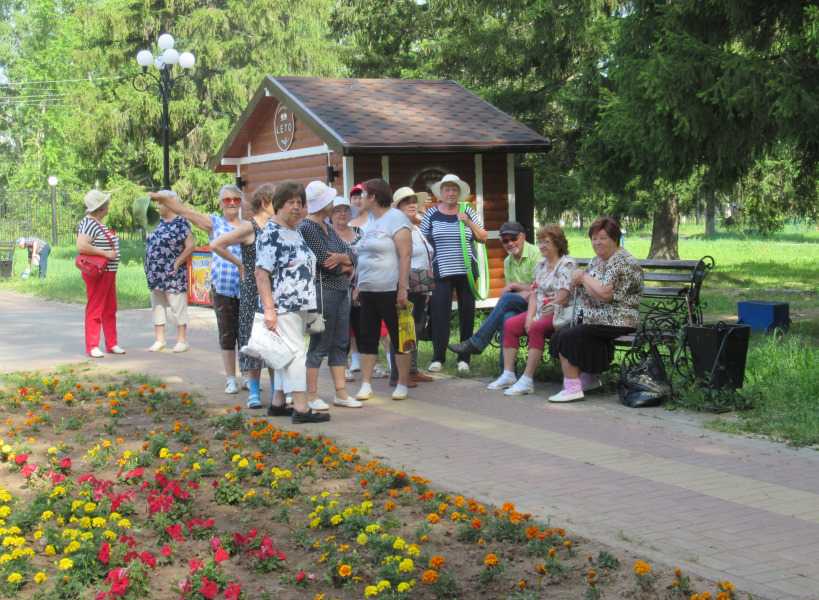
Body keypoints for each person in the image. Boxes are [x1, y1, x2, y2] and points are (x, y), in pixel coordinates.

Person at [150, 185, 244, 395]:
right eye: (227, 200)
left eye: (236, 200)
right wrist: (160, 198)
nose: (231, 203)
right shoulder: (214, 223)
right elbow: (184, 211)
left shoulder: (247, 225)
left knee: (247, 334)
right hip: (223, 287)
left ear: (241, 202)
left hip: (246, 287)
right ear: (220, 203)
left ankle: (248, 376)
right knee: (227, 334)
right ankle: (231, 378)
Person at [255, 181, 330, 424]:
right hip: (283, 305)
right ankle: (301, 407)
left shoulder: (293, 230)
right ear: (279, 204)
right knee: (297, 354)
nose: (296, 207)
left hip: (299, 304)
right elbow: (261, 273)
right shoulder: (272, 233)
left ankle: (278, 402)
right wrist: (269, 310)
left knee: (284, 354)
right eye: (291, 202)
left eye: (300, 202)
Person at [548, 217, 643, 403]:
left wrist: (583, 277)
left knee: (569, 336)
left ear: (614, 239)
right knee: (563, 333)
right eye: (594, 238)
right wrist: (580, 282)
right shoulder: (597, 261)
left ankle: (572, 388)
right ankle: (589, 379)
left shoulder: (623, 262)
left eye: (603, 238)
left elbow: (605, 294)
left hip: (620, 318)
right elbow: (593, 290)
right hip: (598, 317)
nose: (597, 242)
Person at [209, 184, 277, 410]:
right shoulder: (250, 226)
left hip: (272, 288)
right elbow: (216, 244)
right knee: (251, 338)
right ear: (265, 202)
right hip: (251, 289)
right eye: (276, 202)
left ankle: (277, 391)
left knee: (274, 339)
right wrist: (240, 264)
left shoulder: (277, 225)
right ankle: (254, 391)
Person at [488, 225, 575, 395]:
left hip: (558, 312)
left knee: (536, 327)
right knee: (511, 324)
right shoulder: (541, 266)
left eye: (546, 242)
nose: (542, 246)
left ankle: (527, 380)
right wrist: (530, 316)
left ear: (557, 243)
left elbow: (563, 297)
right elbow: (534, 294)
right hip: (541, 310)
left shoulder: (567, 264)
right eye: (540, 242)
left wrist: (539, 316)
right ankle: (508, 374)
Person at [300, 181, 361, 409]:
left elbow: (351, 253)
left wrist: (344, 260)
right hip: (323, 291)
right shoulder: (307, 227)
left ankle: (341, 393)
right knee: (320, 342)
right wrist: (345, 263)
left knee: (341, 342)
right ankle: (311, 395)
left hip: (342, 290)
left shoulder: (327, 226)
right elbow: (326, 262)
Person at [420, 173, 488, 374]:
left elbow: (483, 237)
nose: (450, 193)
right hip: (440, 271)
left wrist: (468, 222)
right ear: (441, 193)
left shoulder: (468, 211)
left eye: (454, 189)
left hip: (467, 272)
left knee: (467, 315)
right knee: (439, 315)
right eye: (447, 189)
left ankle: (464, 359)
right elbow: (422, 242)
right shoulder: (432, 214)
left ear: (459, 193)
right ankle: (438, 358)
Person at [352, 178, 413, 401]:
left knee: (399, 337)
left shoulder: (396, 218)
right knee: (367, 337)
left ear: (373, 197)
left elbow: (405, 255)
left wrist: (402, 288)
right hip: (368, 289)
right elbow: (363, 255)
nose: (360, 198)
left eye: (363, 194)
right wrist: (358, 284)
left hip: (391, 289)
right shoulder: (369, 221)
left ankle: (402, 383)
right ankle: (366, 384)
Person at [448, 221, 540, 360]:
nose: (510, 243)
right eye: (505, 241)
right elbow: (515, 292)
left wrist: (515, 286)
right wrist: (518, 289)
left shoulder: (536, 254)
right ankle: (507, 370)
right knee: (507, 318)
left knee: (507, 298)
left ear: (523, 237)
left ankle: (478, 342)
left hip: (540, 304)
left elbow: (540, 288)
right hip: (522, 303)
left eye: (513, 238)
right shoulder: (508, 261)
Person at [391, 186, 435, 384]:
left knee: (416, 327)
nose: (412, 205)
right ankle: (399, 375)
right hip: (406, 284)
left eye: (414, 201)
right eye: (406, 202)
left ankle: (412, 369)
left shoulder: (415, 227)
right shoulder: (398, 229)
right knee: (403, 328)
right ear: (398, 207)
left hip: (421, 284)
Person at [143, 190, 194, 353]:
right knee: (157, 305)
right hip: (155, 272)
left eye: (160, 202)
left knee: (177, 306)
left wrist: (178, 262)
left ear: (170, 203)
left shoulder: (181, 222)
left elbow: (190, 246)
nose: (158, 206)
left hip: (173, 272)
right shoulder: (155, 222)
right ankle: (159, 340)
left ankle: (182, 340)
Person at [76, 190, 125, 358]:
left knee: (110, 308)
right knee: (96, 308)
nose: (109, 206)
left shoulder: (96, 223)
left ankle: (112, 343)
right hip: (99, 272)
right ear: (101, 207)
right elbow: (81, 246)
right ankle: (92, 345)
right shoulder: (89, 223)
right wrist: (105, 253)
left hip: (108, 272)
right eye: (106, 203)